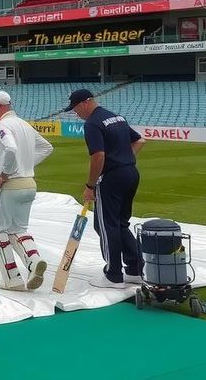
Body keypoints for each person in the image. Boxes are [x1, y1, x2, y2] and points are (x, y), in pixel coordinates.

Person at [65, 88, 146, 289]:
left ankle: (113, 274)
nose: (77, 114)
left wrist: (90, 185)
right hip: (130, 173)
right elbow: (139, 140)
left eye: (76, 109)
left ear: (85, 103)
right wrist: (126, 159)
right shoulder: (116, 118)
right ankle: (135, 269)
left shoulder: (93, 123)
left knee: (105, 225)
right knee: (120, 223)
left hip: (111, 177)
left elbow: (98, 156)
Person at [0, 90, 54, 291]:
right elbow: (47, 148)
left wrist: (3, 175)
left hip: (11, 186)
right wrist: (25, 165)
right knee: (19, 230)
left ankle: (12, 277)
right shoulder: (23, 124)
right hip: (29, 184)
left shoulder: (3, 125)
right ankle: (33, 261)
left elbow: (11, 149)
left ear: (0, 106)